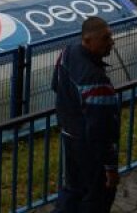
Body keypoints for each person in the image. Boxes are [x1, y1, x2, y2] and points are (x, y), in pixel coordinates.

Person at [52, 15, 120, 212]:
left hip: (69, 134)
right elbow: (101, 129)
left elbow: (55, 84)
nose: (111, 43)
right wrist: (110, 167)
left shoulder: (68, 51)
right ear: (88, 41)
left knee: (72, 189)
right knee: (97, 197)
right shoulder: (96, 79)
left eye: (111, 36)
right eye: (105, 38)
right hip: (89, 147)